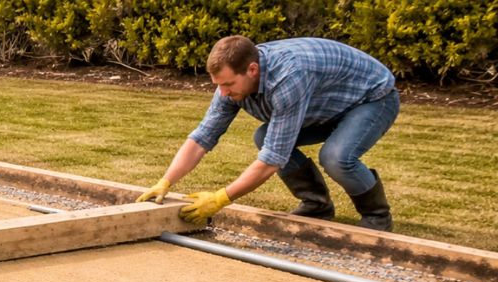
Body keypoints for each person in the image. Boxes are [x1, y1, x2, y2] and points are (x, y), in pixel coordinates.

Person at [137, 35, 400, 232]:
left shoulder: (288, 78)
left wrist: (219, 199)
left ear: (252, 70)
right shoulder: (230, 84)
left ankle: (377, 215)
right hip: (326, 102)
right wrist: (165, 181)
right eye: (219, 86)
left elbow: (272, 160)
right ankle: (317, 205)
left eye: (228, 84)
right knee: (263, 137)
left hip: (372, 98)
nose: (224, 93)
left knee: (335, 156)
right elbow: (203, 136)